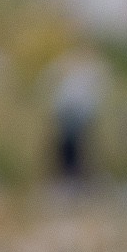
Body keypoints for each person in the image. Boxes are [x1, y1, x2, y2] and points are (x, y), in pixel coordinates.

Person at [48, 50, 108, 180]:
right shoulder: (77, 72)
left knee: (77, 147)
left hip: (77, 117)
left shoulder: (91, 72)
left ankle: (74, 176)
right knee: (69, 147)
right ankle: (69, 176)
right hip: (70, 116)